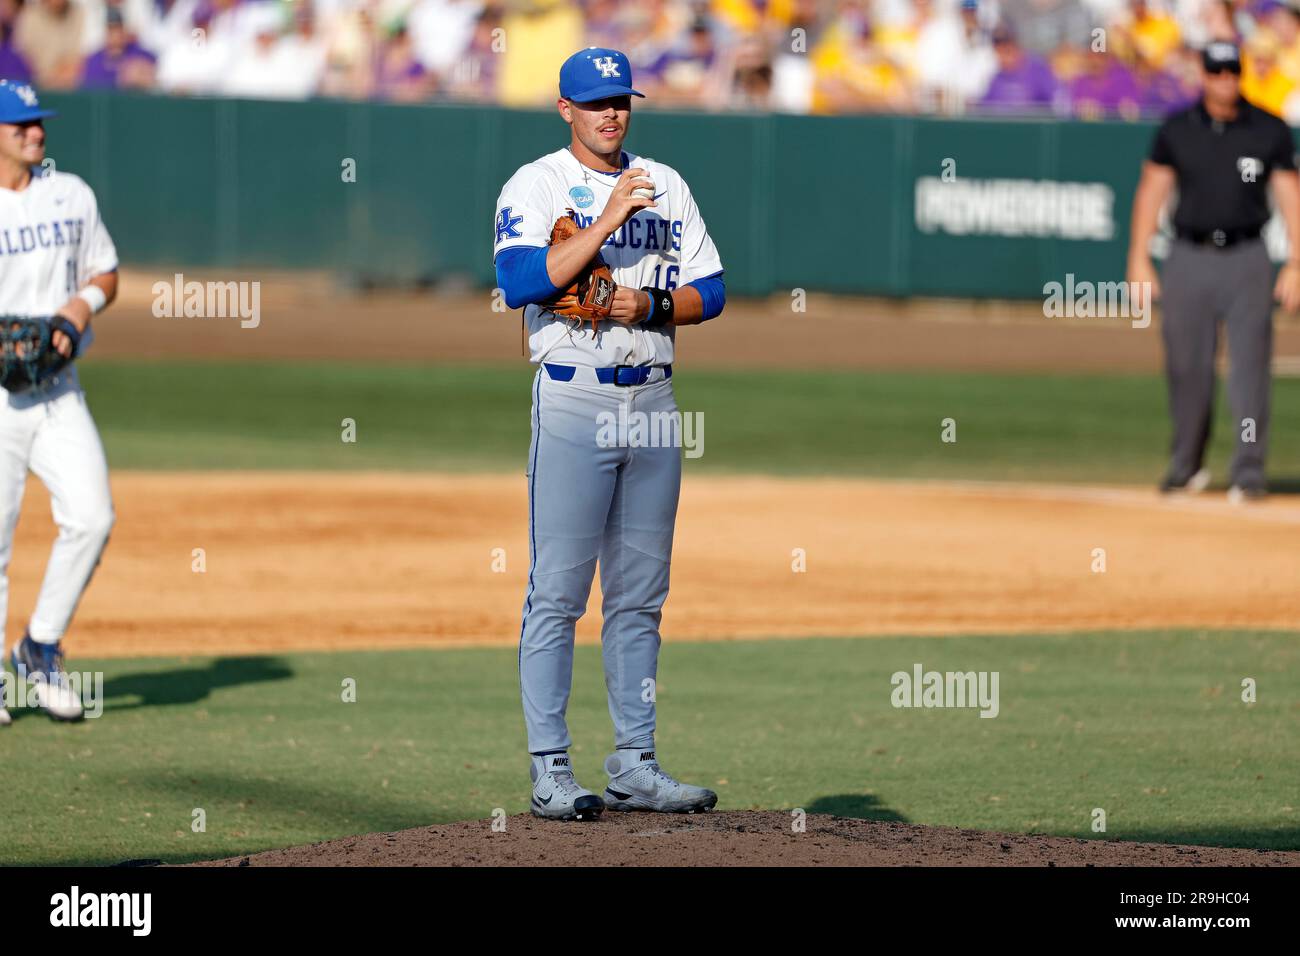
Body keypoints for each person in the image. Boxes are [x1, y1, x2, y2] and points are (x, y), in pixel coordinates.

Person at [492, 47, 724, 819]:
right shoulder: (538, 184)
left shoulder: (668, 182)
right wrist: (609, 220)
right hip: (572, 403)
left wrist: (650, 308)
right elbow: (522, 282)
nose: (611, 113)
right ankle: (549, 768)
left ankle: (635, 762)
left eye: (621, 99)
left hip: (654, 401)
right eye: (595, 102)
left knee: (640, 597)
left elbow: (713, 290)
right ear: (566, 109)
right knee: (557, 594)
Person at [1127, 40, 1300, 500]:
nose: (1225, 81)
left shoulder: (1268, 130)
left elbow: (1290, 197)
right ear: (1202, 75)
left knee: (1249, 371)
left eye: (1232, 72)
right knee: (1187, 367)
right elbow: (1152, 191)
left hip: (1247, 256)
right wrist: (1139, 258)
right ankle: (1186, 463)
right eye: (1217, 72)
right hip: (1188, 254)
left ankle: (1248, 471)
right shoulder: (1178, 129)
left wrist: (1297, 262)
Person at [0, 81, 117, 725]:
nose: (35, 132)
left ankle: (38, 647)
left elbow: (105, 270)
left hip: (57, 389)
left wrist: (79, 306)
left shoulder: (70, 194)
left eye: (37, 122)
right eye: (19, 126)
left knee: (93, 515)